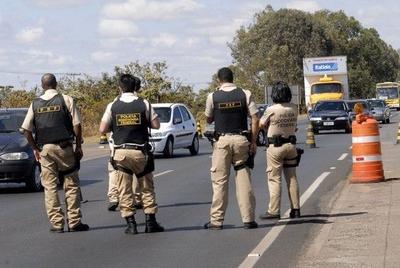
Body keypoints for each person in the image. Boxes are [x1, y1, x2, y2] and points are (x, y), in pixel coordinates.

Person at [21, 73, 89, 233]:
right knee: (71, 184)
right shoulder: (66, 99)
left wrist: (35, 149)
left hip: (45, 150)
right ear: (56, 84)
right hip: (64, 148)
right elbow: (77, 125)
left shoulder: (35, 104)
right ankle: (74, 222)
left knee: (50, 187)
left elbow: (26, 130)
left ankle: (57, 224)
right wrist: (78, 146)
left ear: (42, 86)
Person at [99, 74, 164, 234]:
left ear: (120, 88)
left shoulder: (113, 106)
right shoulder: (144, 104)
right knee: (147, 188)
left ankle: (131, 224)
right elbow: (156, 124)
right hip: (140, 152)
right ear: (135, 87)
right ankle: (150, 222)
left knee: (124, 189)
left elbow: (102, 129)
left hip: (120, 153)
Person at [204, 67, 259, 230]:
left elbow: (208, 118)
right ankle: (248, 219)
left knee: (220, 181)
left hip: (222, 142)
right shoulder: (245, 94)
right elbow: (255, 118)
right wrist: (254, 141)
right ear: (232, 78)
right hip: (241, 140)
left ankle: (216, 221)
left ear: (219, 80)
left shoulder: (213, 96)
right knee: (243, 179)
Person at [259, 81, 301, 220]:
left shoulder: (271, 109)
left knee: (274, 179)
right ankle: (295, 209)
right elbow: (294, 127)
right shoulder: (294, 108)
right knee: (292, 177)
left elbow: (261, 124)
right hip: (291, 145)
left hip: (275, 147)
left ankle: (274, 210)